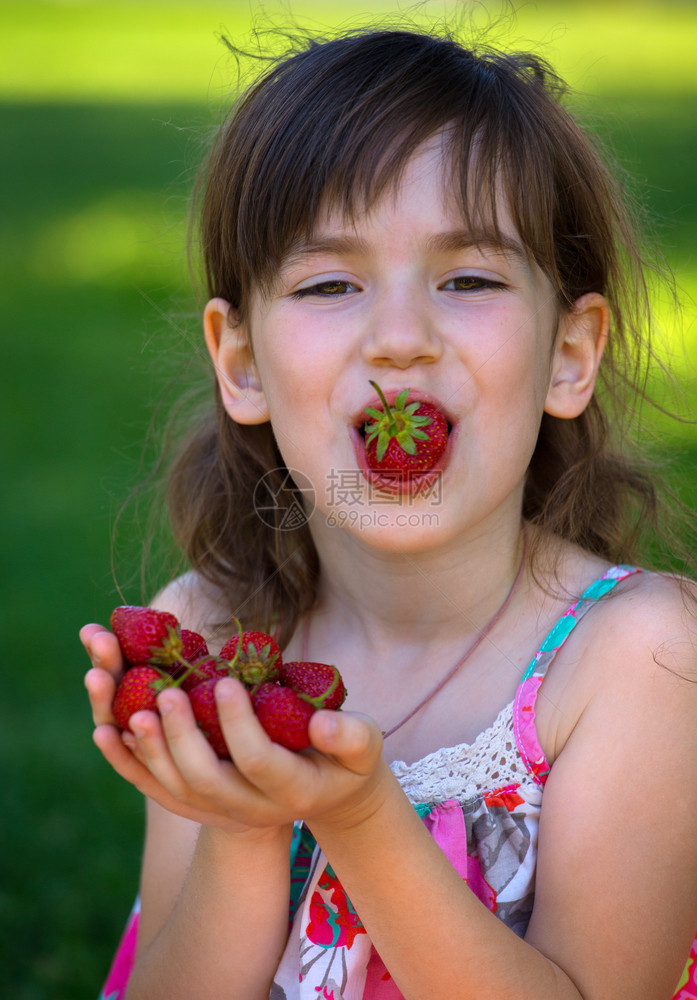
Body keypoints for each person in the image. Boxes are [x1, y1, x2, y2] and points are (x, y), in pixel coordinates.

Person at [81, 26, 697, 1000]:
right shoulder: (211, 635)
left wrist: (362, 818)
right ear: (240, 362)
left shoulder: (636, 658)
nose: (400, 339)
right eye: (330, 284)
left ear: (569, 355)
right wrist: (243, 820)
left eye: (468, 280)